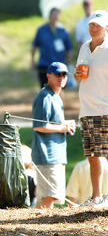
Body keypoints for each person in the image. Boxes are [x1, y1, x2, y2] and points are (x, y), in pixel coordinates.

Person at [74, 10, 108, 208]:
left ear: (106, 28)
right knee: (93, 156)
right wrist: (78, 75)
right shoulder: (84, 47)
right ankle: (96, 198)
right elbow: (80, 76)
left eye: (98, 25)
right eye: (91, 25)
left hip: (105, 109)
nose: (93, 28)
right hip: (86, 110)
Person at [31, 62, 76, 209]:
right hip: (47, 155)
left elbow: (51, 122)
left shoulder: (56, 96)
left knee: (47, 196)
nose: (61, 78)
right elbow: (39, 126)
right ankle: (41, 229)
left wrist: (65, 124)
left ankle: (35, 228)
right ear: (48, 76)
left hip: (56, 155)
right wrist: (62, 127)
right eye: (57, 74)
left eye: (64, 75)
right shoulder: (45, 97)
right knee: (49, 196)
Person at [31, 8, 73, 88]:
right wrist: (32, 61)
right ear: (49, 16)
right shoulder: (41, 30)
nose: (55, 17)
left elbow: (69, 48)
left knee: (59, 89)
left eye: (57, 15)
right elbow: (34, 46)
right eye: (53, 15)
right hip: (44, 65)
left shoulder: (63, 31)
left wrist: (69, 63)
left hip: (59, 66)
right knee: (44, 89)